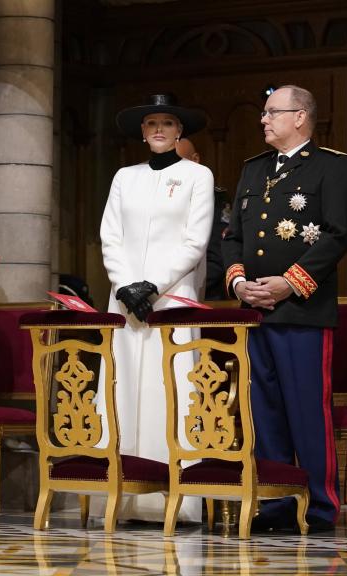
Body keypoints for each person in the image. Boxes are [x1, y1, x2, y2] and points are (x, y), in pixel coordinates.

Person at [221, 85, 347, 532]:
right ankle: (276, 504)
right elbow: (233, 236)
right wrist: (239, 283)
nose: (263, 119)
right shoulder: (253, 169)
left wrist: (289, 284)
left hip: (302, 311)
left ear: (300, 117)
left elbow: (337, 234)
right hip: (255, 311)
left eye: (271, 112)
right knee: (265, 412)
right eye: (263, 113)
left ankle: (319, 507)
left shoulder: (330, 166)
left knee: (306, 411)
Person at [98, 94, 214, 523]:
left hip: (171, 298)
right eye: (152, 123)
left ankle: (175, 500)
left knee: (172, 390)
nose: (159, 129)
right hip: (126, 301)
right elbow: (110, 236)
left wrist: (153, 285)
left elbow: (195, 241)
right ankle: (122, 495)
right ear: (142, 133)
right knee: (123, 387)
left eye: (167, 122)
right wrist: (127, 285)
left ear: (179, 130)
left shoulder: (197, 176)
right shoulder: (124, 177)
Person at [175, 137, 231, 300]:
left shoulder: (215, 198)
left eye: (178, 163)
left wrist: (180, 286)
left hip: (204, 291)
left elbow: (217, 256)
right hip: (158, 290)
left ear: (195, 160)